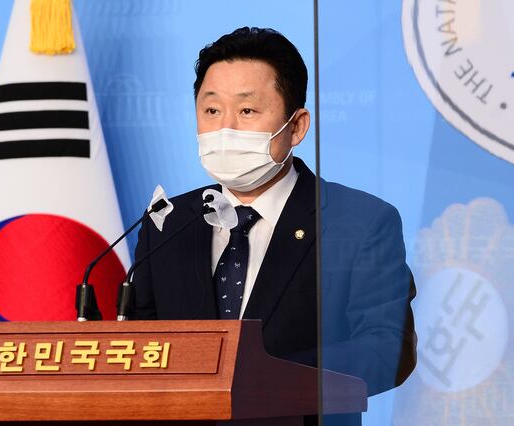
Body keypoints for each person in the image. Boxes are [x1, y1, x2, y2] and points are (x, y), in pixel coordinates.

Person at [130, 27, 416, 425]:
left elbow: (388, 350)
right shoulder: (168, 221)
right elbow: (139, 347)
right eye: (211, 111)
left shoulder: (359, 222)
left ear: (296, 126)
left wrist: (266, 374)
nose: (226, 128)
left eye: (247, 111)